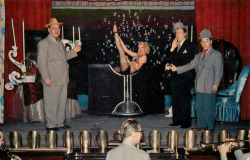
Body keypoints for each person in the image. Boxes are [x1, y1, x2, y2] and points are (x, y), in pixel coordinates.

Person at [170, 29, 223, 131]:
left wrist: (216, 84)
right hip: (199, 86)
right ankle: (201, 125)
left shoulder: (216, 54)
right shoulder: (198, 56)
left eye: (207, 41)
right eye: (202, 41)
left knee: (209, 107)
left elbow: (219, 70)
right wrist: (177, 69)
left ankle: (210, 127)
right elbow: (190, 65)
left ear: (211, 41)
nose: (204, 43)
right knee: (199, 107)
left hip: (209, 85)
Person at [37, 18, 81, 131]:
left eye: (58, 28)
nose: (56, 30)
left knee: (62, 102)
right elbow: (41, 63)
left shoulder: (59, 43)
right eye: (54, 28)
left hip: (62, 78)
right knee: (51, 101)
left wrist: (74, 51)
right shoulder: (43, 44)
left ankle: (60, 123)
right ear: (49, 30)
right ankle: (51, 124)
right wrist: (46, 77)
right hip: (51, 78)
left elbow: (63, 57)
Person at [165, 22, 196, 128]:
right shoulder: (174, 46)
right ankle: (177, 120)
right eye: (176, 33)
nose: (178, 35)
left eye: (180, 33)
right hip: (175, 77)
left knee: (184, 100)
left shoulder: (190, 45)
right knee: (176, 99)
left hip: (185, 77)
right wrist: (172, 49)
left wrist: (176, 66)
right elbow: (168, 59)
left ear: (185, 34)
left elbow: (189, 62)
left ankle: (186, 122)